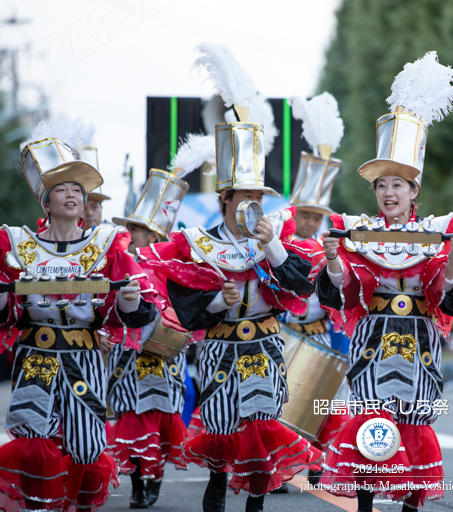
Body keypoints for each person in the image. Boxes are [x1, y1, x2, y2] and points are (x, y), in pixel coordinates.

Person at [139, 42, 322, 512]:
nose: (251, 205)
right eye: (241, 197)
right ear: (223, 200)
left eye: (256, 196)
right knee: (221, 426)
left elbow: (302, 285)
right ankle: (218, 483)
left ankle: (257, 501)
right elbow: (184, 307)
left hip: (262, 343)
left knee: (261, 425)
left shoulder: (278, 232)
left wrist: (273, 248)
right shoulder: (198, 242)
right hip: (221, 343)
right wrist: (218, 302)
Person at [316, 52, 453, 512]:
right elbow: (342, 294)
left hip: (420, 340)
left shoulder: (441, 234)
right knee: (371, 418)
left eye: (398, 185)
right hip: (373, 338)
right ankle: (365, 504)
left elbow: (452, 303)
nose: (389, 193)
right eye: (382, 185)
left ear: (414, 191)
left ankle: (410, 504)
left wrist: (451, 266)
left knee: (412, 422)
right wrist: (332, 262)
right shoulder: (355, 234)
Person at [0, 118, 158, 511]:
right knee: (34, 441)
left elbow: (141, 310)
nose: (71, 195)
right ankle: (39, 504)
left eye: (77, 190)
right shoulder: (17, 246)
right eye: (61, 189)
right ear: (45, 201)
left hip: (84, 357)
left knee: (86, 448)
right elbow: (6, 311)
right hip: (37, 355)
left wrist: (130, 300)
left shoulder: (107, 244)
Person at [107, 147, 205, 508]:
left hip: (166, 353)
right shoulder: (116, 263)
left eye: (148, 230)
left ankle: (156, 479)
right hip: (129, 351)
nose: (140, 235)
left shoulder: (174, 267)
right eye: (136, 228)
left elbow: (189, 308)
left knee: (163, 418)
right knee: (132, 416)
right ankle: (136, 483)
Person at [278, 93, 349, 489]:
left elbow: (339, 295)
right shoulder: (279, 245)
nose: (309, 221)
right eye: (304, 213)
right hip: (285, 336)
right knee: (283, 405)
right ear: (294, 211)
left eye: (316, 216)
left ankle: (320, 462)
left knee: (324, 403)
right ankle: (284, 466)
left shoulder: (330, 248)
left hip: (320, 336)